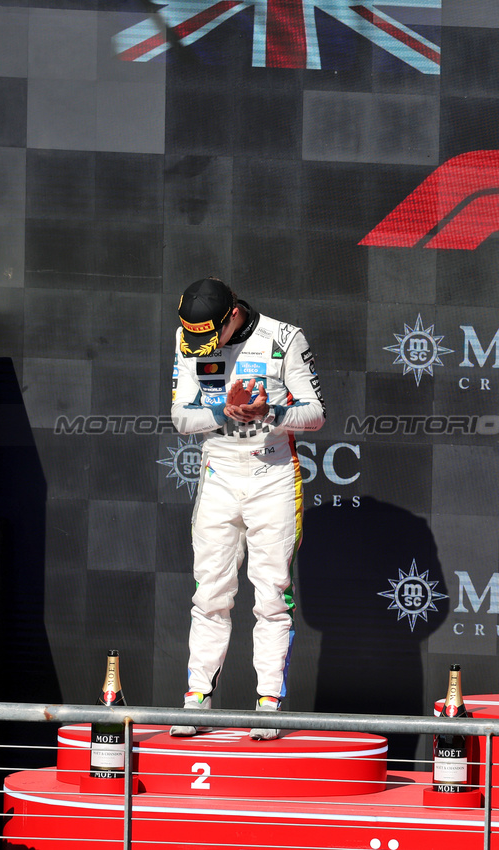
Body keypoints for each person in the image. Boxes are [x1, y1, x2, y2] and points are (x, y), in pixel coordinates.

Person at [168, 277, 325, 740]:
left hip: (272, 475)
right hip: (219, 472)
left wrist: (270, 413)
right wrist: (223, 414)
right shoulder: (187, 340)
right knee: (210, 591)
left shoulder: (283, 338)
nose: (200, 347)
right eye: (193, 339)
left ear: (232, 314)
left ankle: (268, 703)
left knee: (272, 595)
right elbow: (181, 418)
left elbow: (316, 413)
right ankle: (197, 698)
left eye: (208, 337)